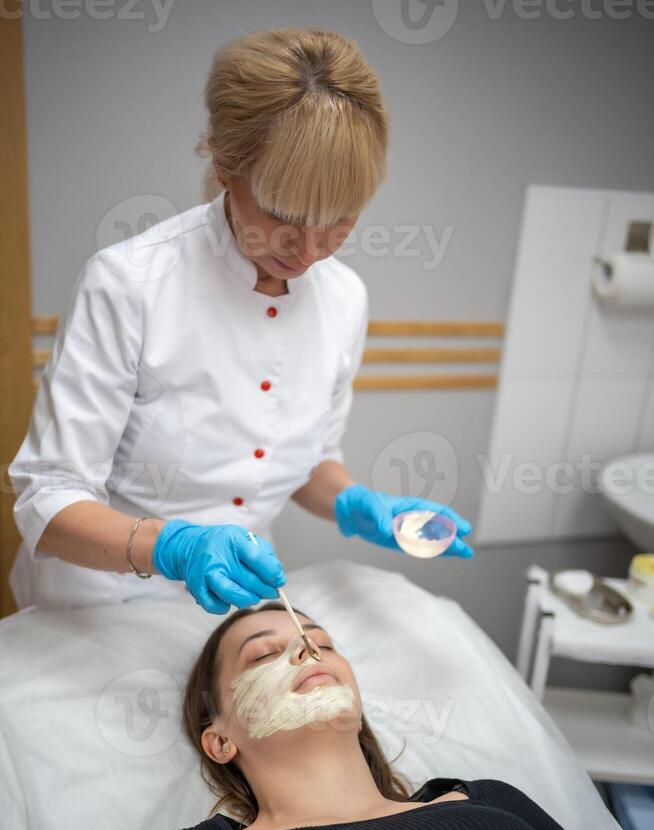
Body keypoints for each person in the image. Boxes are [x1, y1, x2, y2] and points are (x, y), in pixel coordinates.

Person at [8, 25, 473, 613]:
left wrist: (357, 504)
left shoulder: (345, 298)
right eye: (283, 215)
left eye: (339, 221)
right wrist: (170, 545)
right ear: (227, 165)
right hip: (98, 601)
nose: (308, 251)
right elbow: (47, 499)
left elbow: (302, 461)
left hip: (239, 602)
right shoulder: (130, 284)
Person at [102, 603, 654, 830]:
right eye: (264, 654)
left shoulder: (491, 803)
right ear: (220, 740)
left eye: (320, 643)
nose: (307, 653)